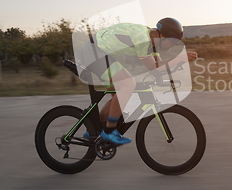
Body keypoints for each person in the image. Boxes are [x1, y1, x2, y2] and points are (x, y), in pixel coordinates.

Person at [80, 17, 197, 145]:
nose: (174, 45)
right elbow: (154, 67)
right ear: (162, 35)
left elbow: (157, 66)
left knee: (118, 98)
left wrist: (166, 79)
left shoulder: (152, 44)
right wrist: (180, 58)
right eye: (173, 41)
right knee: (128, 85)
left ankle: (94, 131)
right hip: (95, 51)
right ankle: (108, 132)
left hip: (103, 53)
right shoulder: (143, 39)